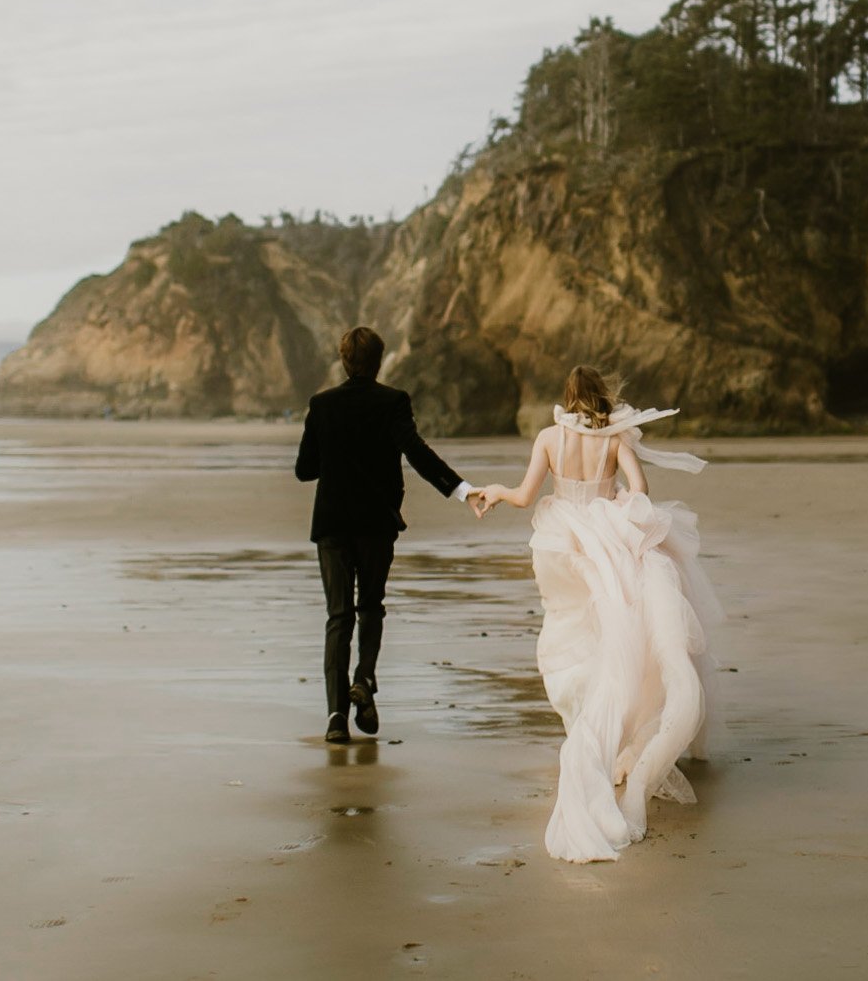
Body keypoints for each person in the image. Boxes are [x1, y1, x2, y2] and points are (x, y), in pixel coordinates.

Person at [469, 365, 722, 862]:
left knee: (571, 636)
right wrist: (620, 504)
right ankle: (623, 746)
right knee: (618, 637)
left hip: (562, 545)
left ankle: (587, 729)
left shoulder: (547, 437)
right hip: (605, 540)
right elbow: (641, 489)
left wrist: (492, 492)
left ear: (567, 395)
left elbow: (524, 497)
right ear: (601, 396)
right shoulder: (614, 439)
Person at [294, 326, 485, 743]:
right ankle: (364, 677)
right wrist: (461, 489)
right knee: (371, 606)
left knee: (338, 616)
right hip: (376, 523)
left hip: (332, 524)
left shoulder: (321, 405)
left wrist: (337, 454)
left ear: (344, 361)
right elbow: (416, 452)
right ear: (379, 362)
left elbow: (304, 469)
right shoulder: (392, 402)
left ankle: (335, 718)